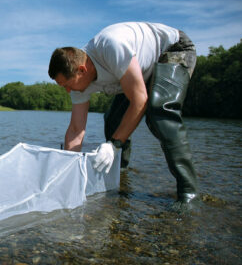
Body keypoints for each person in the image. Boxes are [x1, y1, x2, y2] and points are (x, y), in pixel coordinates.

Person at [48, 22, 198, 209]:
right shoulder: (78, 83)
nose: (68, 90)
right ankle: (121, 172)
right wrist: (68, 172)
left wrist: (114, 144)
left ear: (82, 70)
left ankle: (188, 192)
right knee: (113, 120)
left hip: (172, 50)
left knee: (159, 112)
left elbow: (140, 101)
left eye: (67, 84)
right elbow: (76, 129)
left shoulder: (111, 47)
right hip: (137, 73)